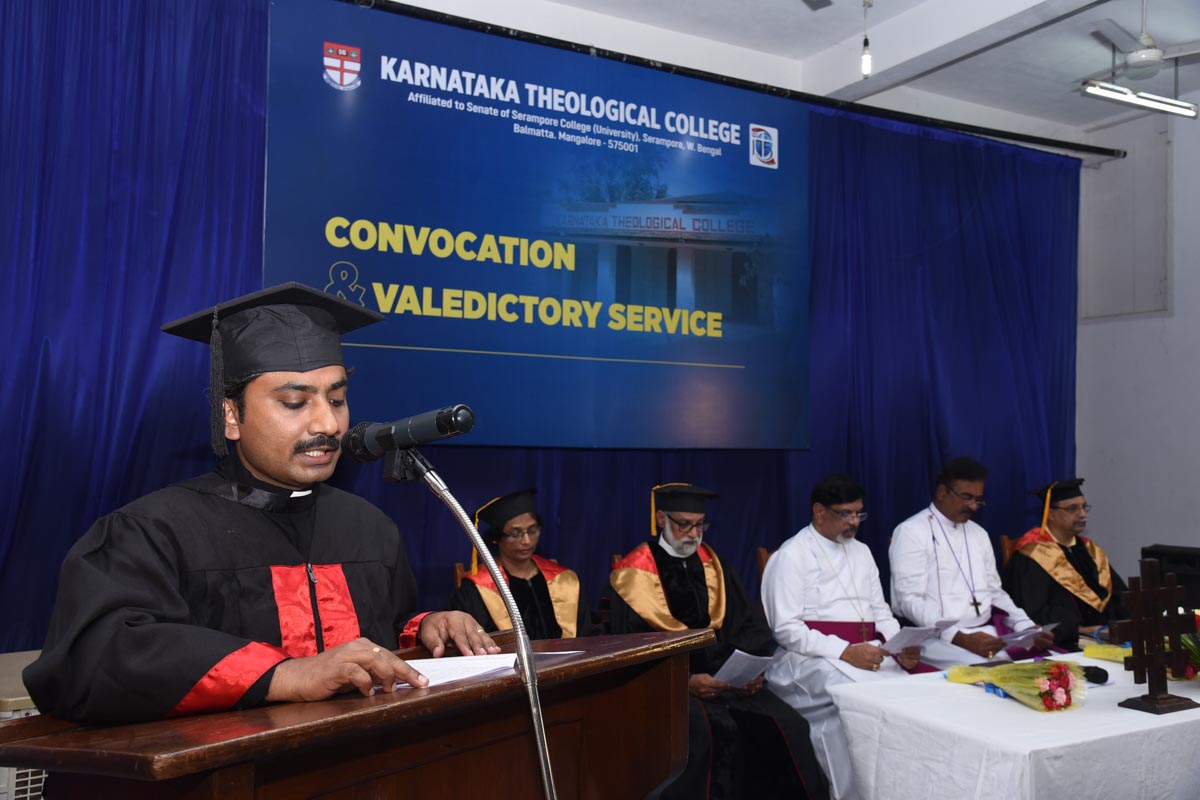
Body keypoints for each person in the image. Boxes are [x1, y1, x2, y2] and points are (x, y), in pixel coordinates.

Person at [23, 283, 499, 724]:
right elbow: (97, 658)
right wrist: (283, 675)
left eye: (337, 399)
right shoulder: (153, 531)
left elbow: (381, 633)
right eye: (295, 402)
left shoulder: (368, 528)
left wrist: (425, 629)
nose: (328, 424)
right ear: (231, 416)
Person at [602, 483, 828, 800]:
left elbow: (748, 624)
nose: (694, 534)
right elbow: (628, 649)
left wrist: (748, 672)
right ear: (661, 518)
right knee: (708, 735)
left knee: (790, 726)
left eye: (700, 525)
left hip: (728, 684)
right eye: (685, 524)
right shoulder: (633, 575)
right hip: (672, 689)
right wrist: (685, 682)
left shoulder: (714, 564)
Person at [763, 475, 922, 800]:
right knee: (860, 698)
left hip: (866, 652)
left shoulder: (862, 551)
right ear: (819, 511)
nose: (854, 522)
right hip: (809, 659)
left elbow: (880, 611)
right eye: (846, 514)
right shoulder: (792, 555)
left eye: (859, 514)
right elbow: (786, 629)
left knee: (914, 694)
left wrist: (900, 646)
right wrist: (845, 651)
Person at [889, 457, 1053, 665]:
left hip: (988, 633)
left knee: (1049, 665)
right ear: (942, 492)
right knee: (996, 671)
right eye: (967, 497)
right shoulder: (911, 531)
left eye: (978, 499)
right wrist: (959, 637)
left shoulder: (979, 534)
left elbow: (994, 592)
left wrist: (1025, 626)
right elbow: (910, 600)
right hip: (936, 639)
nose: (974, 506)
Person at [445, 488, 591, 639]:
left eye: (532, 531)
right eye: (515, 534)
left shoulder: (563, 580)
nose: (526, 541)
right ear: (496, 538)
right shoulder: (476, 588)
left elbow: (586, 635)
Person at [1003, 478, 1128, 649]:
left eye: (1084, 507)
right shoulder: (1032, 555)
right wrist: (1080, 630)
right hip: (1063, 643)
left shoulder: (1089, 550)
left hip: (1105, 637)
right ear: (1050, 514)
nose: (1082, 514)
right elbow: (1031, 610)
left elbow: (1119, 595)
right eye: (1072, 509)